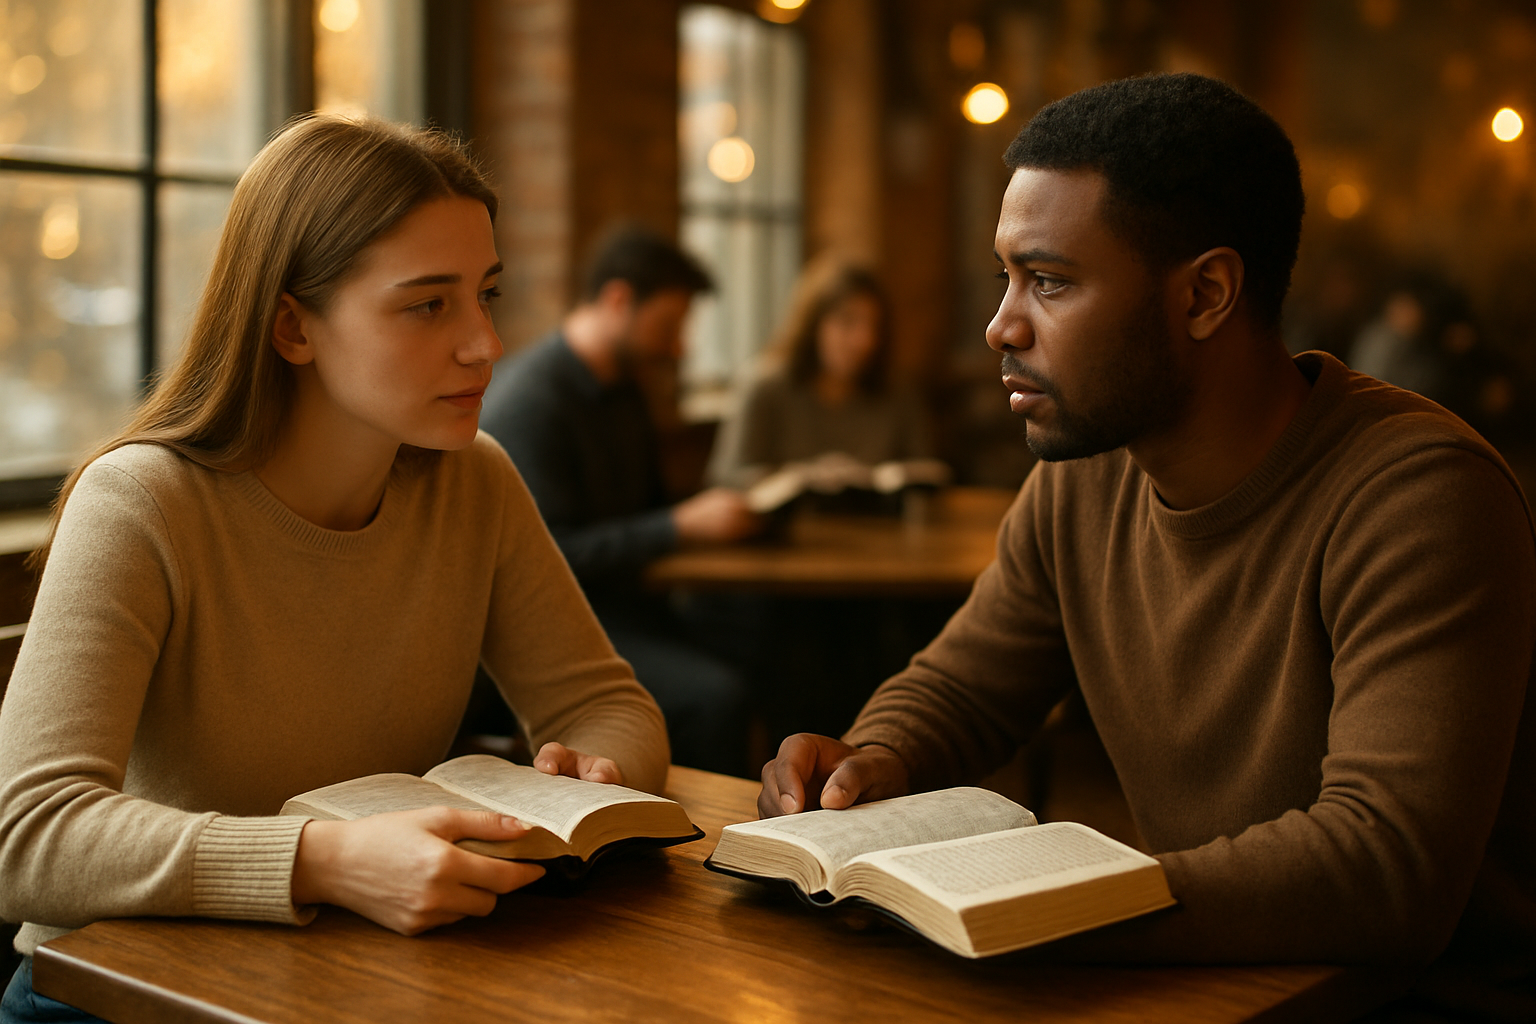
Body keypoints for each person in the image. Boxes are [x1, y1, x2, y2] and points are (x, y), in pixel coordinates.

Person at [758, 74, 1535, 1022]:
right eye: (1005, 278)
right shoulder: (1085, 473)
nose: (1002, 325)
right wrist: (871, 757)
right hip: (1203, 982)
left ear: (1206, 293)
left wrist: (1053, 908)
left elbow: (1384, 868)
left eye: (1048, 282)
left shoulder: (1420, 495)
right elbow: (961, 688)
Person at [0, 116, 670, 1023]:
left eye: (487, 294)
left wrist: (590, 781)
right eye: (429, 304)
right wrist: (322, 858)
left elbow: (609, 705)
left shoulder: (474, 479)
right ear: (292, 327)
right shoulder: (141, 502)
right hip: (115, 994)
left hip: (359, 975)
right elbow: (28, 837)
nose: (484, 344)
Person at [478, 228, 759, 777]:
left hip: (632, 602)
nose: (680, 347)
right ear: (617, 300)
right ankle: (707, 841)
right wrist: (679, 525)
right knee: (717, 694)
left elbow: (644, 508)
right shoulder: (532, 404)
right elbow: (553, 553)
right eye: (669, 326)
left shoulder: (626, 390)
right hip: (569, 619)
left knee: (768, 636)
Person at [708, 257, 937, 488]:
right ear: (813, 322)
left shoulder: (897, 391)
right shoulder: (764, 386)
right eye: (847, 321)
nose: (864, 341)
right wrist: (801, 477)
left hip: (874, 524)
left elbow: (924, 470)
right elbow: (726, 478)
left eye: (874, 326)